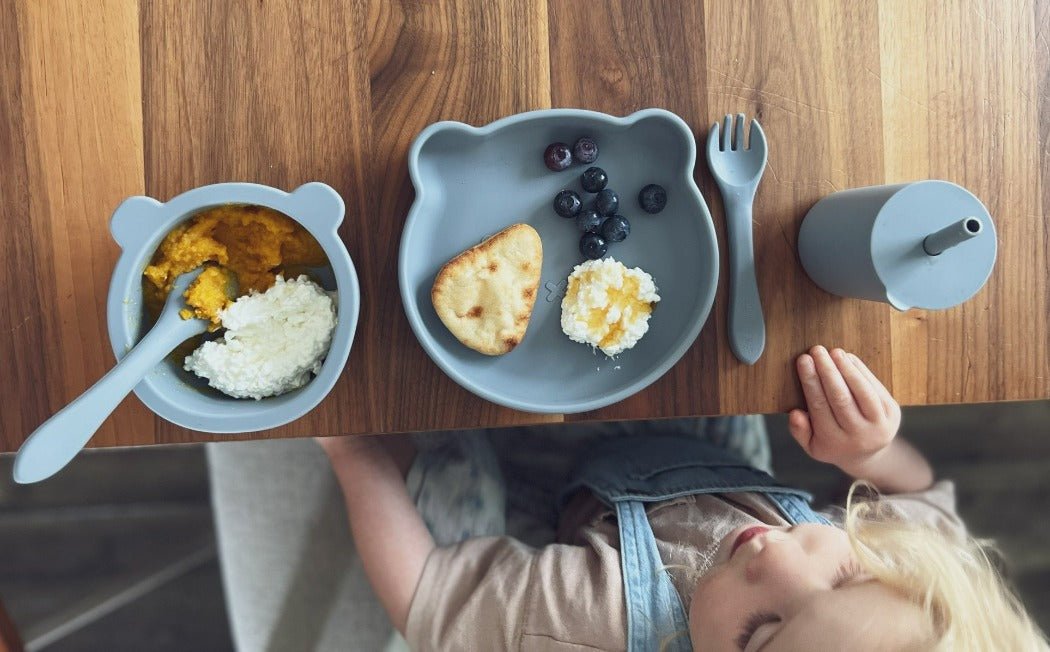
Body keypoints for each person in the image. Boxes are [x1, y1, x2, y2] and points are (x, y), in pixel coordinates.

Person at [317, 346, 1048, 651]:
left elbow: (428, 599)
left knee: (442, 480)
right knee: (722, 360)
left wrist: (354, 452)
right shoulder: (914, 580)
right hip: (695, 466)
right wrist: (870, 454)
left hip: (539, 507)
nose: (774, 556)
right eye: (847, 573)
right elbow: (925, 497)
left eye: (759, 634)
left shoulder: (593, 615)